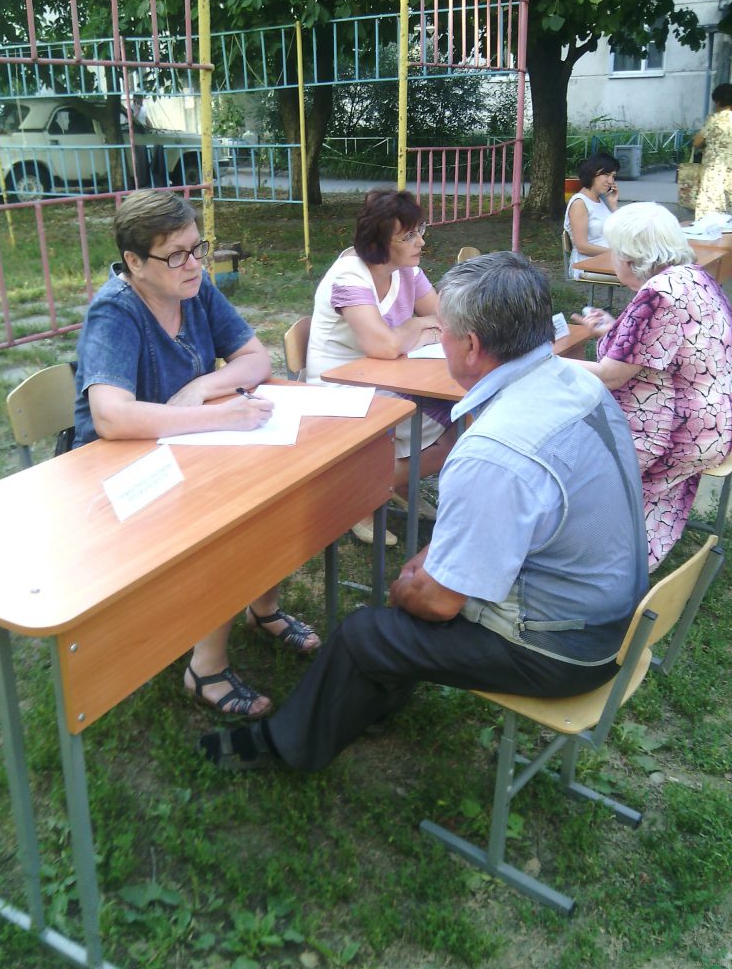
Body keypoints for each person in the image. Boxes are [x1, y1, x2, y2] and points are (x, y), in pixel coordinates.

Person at [199, 251, 649, 772]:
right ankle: (371, 699)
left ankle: (284, 747)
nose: (439, 340)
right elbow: (506, 523)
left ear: (471, 347)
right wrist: (435, 562)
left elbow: (439, 604)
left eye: (442, 333)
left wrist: (408, 587)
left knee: (366, 633)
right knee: (398, 623)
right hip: (611, 614)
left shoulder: (494, 452)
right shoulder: (579, 383)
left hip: (562, 649)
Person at [73, 189, 321, 719]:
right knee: (228, 520)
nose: (193, 264)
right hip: (116, 476)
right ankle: (204, 668)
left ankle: (263, 608)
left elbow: (254, 359)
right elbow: (111, 417)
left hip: (181, 448)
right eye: (176, 255)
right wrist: (219, 414)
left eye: (196, 248)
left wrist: (204, 387)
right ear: (134, 262)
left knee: (277, 488)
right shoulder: (116, 312)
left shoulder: (194, 287)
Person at [572, 202, 732, 568]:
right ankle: (636, 556)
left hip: (678, 435)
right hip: (715, 423)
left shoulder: (658, 295)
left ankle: (600, 561)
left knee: (570, 456)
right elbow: (662, 346)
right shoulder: (694, 277)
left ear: (629, 259)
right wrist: (615, 329)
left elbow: (611, 375)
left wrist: (538, 360)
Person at [306, 188, 459, 546]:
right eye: (409, 236)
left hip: (385, 376)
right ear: (379, 241)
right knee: (451, 436)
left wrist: (415, 332)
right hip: (341, 388)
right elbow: (384, 346)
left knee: (461, 418)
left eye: (420, 230)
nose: (420, 241)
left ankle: (394, 484)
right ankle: (358, 495)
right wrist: (414, 327)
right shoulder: (349, 276)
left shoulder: (406, 268)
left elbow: (445, 318)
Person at [564, 152, 620, 279]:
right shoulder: (580, 203)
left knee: (646, 265)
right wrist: (617, 254)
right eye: (606, 175)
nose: (611, 181)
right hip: (587, 264)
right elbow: (582, 247)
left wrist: (613, 205)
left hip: (607, 260)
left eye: (613, 176)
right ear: (592, 173)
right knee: (641, 271)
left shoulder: (602, 201)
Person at [693, 82, 732, 219]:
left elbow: (697, 142)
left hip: (714, 174)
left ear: (718, 101)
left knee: (710, 217)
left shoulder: (714, 119)